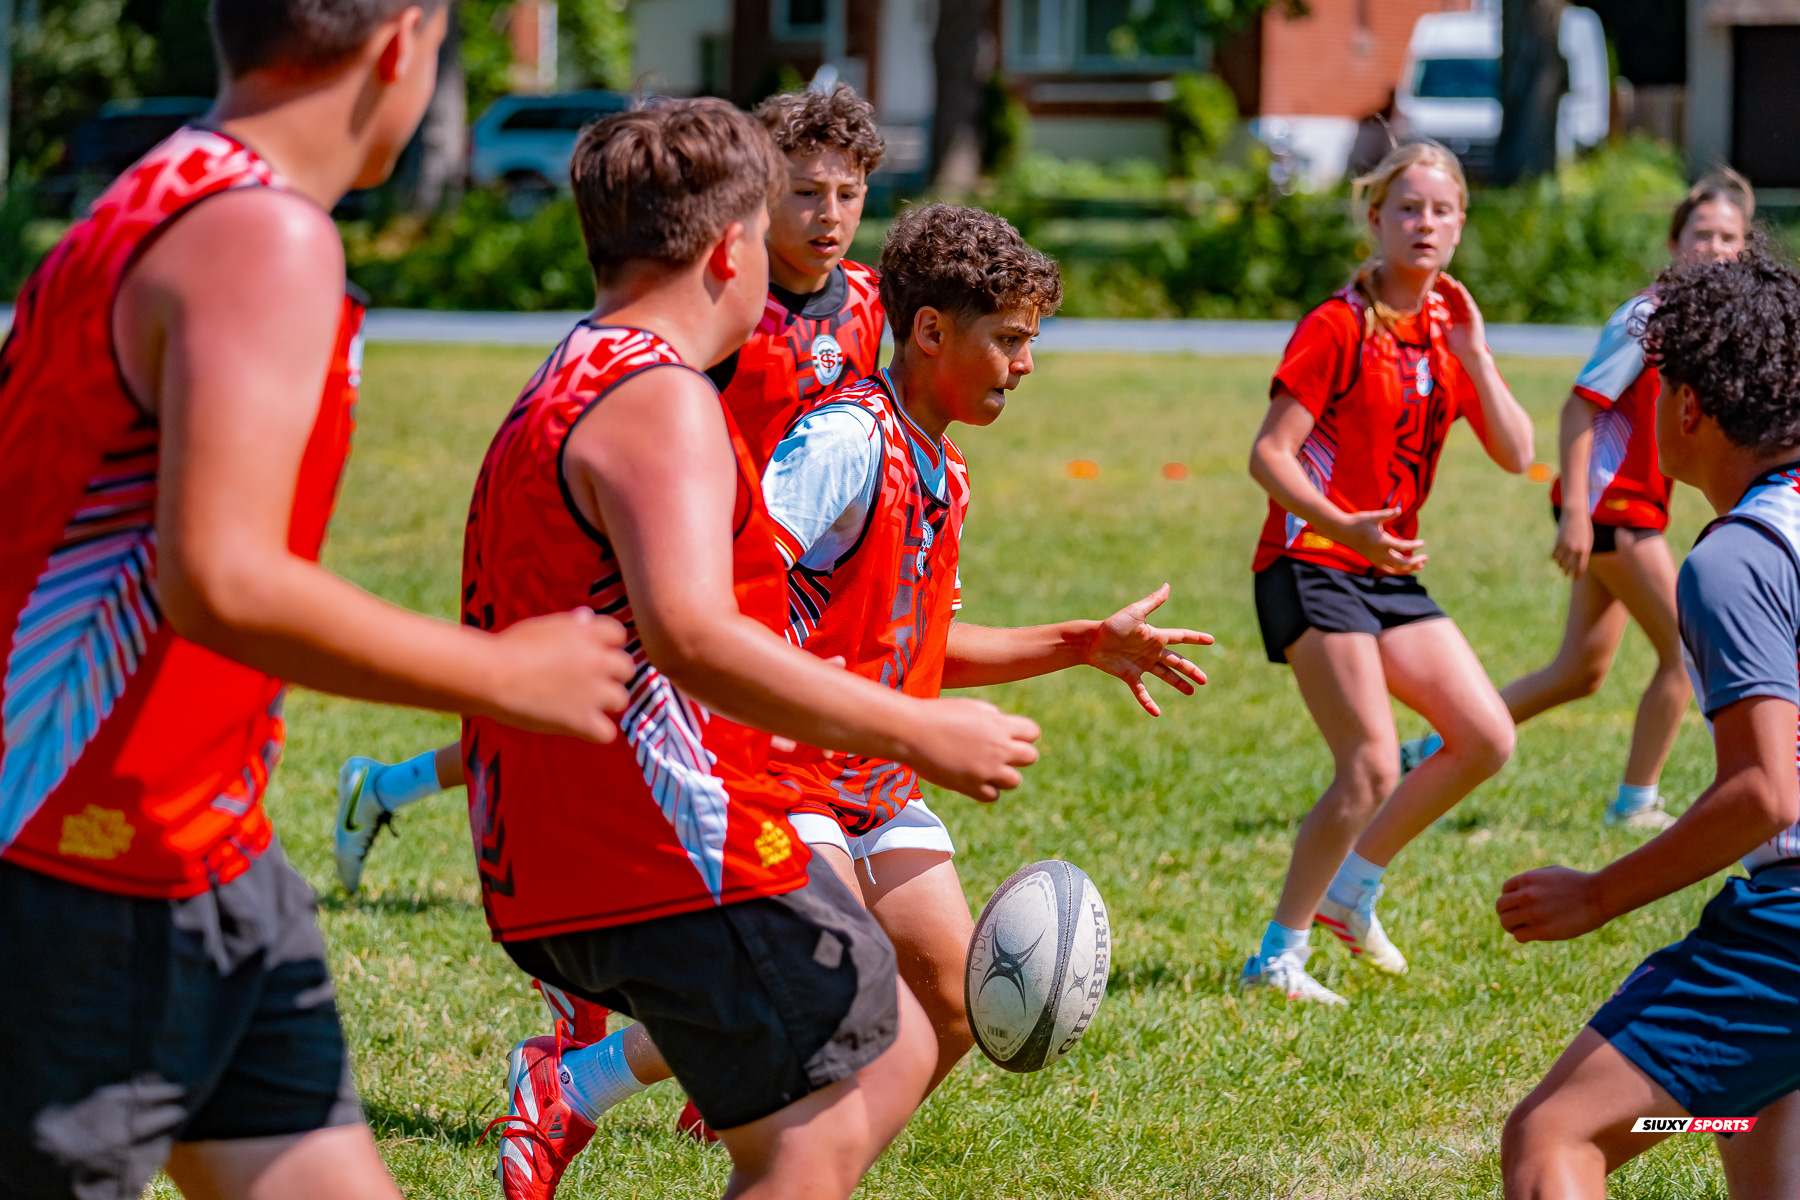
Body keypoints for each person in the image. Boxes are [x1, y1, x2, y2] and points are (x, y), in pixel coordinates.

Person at [0, 2, 641, 1198]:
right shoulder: (261, 236)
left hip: (211, 856)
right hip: (87, 878)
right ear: (403, 42)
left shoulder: (157, 192)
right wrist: (502, 676)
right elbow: (220, 576)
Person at [500, 203, 1213, 1145]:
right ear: (928, 331)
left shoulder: (944, 470)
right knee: (830, 981)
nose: (1026, 364)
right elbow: (728, 595)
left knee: (954, 1013)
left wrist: (1079, 642)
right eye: (1008, 340)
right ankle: (576, 1085)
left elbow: (920, 650)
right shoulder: (846, 443)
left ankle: (791, 1143)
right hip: (782, 771)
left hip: (873, 781)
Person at [463, 102, 1043, 1200]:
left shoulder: (571, 376)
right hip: (645, 829)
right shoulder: (659, 397)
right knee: (855, 1062)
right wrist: (914, 723)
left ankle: (597, 1085)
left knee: (904, 1041)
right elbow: (698, 637)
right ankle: (580, 1081)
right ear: (734, 248)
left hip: (555, 832)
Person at [333, 83, 889, 894]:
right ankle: (393, 788)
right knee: (594, 714)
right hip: (686, 552)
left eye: (849, 194)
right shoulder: (720, 304)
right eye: (804, 194)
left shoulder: (870, 302)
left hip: (788, 575)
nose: (828, 216)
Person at [1497, 250, 1800, 1200]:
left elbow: (1763, 792)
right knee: (1739, 1112)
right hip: (1777, 1024)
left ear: (1689, 410)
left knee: (1553, 1139)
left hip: (1789, 938)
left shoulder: (1736, 561)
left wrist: (1597, 896)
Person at [1241, 140, 1536, 1005]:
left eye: (1442, 211)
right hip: (1313, 557)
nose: (1425, 225)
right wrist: (1344, 526)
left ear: (1460, 225)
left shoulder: (1448, 330)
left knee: (1486, 737)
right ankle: (1276, 956)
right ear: (1374, 220)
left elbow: (1518, 454)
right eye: (1407, 209)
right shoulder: (1338, 324)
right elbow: (1269, 456)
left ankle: (1352, 888)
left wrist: (1478, 353)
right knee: (1369, 762)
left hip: (1384, 565)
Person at [1405, 171, 1754, 833]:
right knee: (1687, 653)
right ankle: (1634, 803)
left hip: (1630, 510)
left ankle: (1428, 751)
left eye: (1729, 237)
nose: (1714, 248)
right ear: (1674, 241)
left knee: (1579, 671)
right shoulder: (1648, 317)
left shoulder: (1704, 325)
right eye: (1701, 234)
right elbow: (1577, 409)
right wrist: (1573, 513)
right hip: (1609, 510)